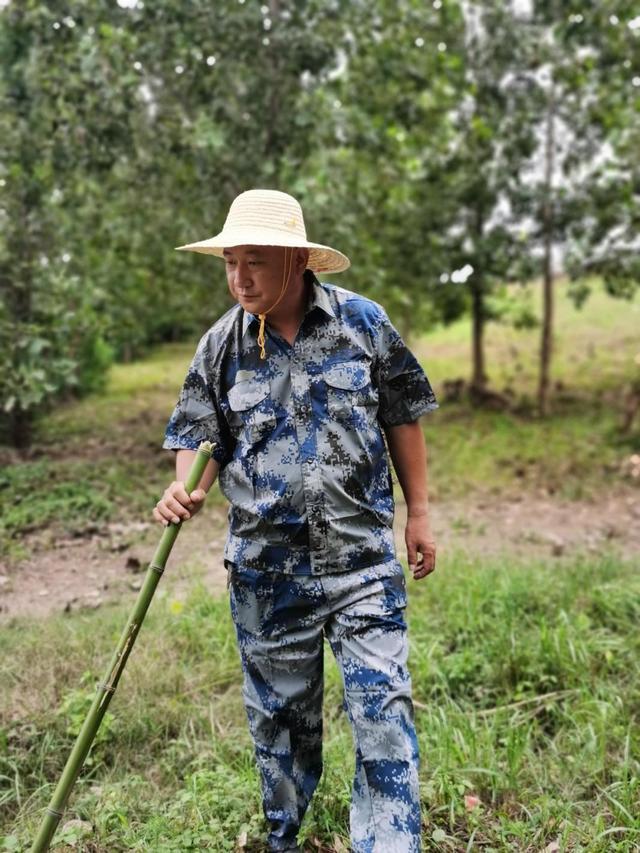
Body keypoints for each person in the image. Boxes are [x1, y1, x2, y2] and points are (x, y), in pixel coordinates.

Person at [154, 189, 438, 852]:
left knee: (384, 713)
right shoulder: (221, 346)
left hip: (362, 564)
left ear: (297, 260)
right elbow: (197, 438)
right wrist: (183, 489)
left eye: (255, 260)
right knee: (282, 730)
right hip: (267, 575)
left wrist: (420, 512)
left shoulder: (362, 323)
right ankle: (285, 838)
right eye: (231, 262)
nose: (240, 278)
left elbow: (402, 414)